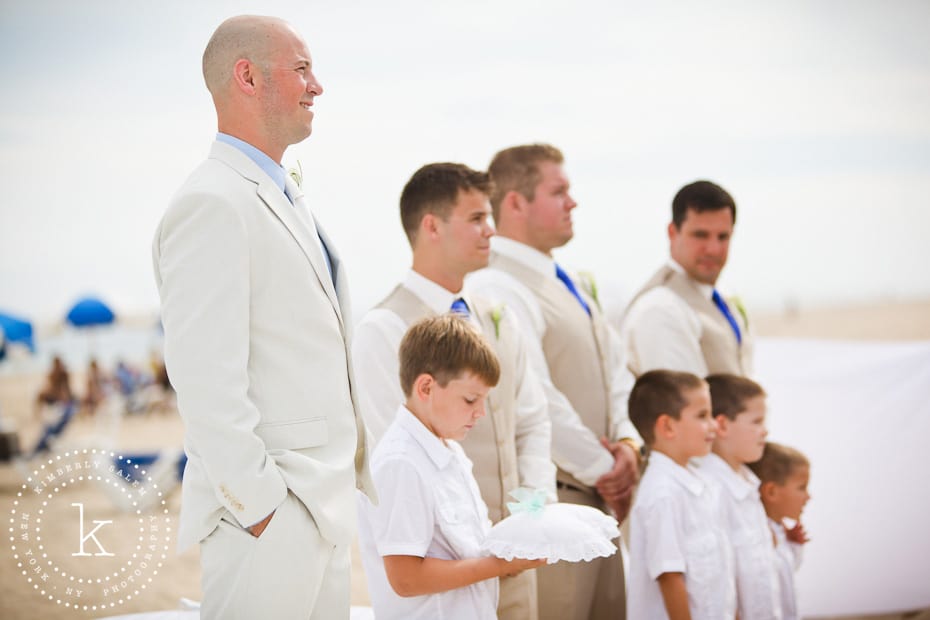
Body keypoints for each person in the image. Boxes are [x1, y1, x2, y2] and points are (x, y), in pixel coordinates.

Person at [152, 15, 374, 619]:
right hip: (272, 516)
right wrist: (261, 509)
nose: (317, 86)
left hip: (319, 512)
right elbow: (203, 379)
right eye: (302, 68)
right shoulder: (211, 202)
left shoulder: (277, 192)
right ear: (247, 77)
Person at [352, 162, 556, 619]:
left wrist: (535, 509)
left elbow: (531, 418)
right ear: (431, 226)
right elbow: (399, 455)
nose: (492, 230)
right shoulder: (382, 328)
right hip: (442, 581)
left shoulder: (498, 315)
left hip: (513, 555)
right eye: (477, 219)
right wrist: (485, 559)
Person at [469, 143, 639, 620]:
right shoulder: (497, 286)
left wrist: (629, 443)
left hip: (598, 510)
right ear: (516, 203)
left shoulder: (572, 283)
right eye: (558, 191)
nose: (573, 202)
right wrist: (609, 470)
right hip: (555, 508)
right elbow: (537, 398)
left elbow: (615, 369)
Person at [357, 315, 546, 619]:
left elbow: (466, 548)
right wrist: (500, 565)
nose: (480, 413)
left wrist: (515, 546)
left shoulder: (452, 453)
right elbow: (405, 578)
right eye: (471, 400)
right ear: (426, 388)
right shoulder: (400, 464)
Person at [627, 370, 735, 619]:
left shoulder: (698, 484)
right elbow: (670, 576)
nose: (714, 425)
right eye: (702, 416)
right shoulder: (663, 493)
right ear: (667, 426)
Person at [621, 180, 753, 377]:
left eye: (723, 237)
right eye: (700, 235)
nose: (713, 249)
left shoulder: (720, 298)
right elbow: (681, 405)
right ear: (672, 233)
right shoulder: (660, 307)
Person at [702, 374, 781, 618]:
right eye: (756, 422)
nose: (765, 431)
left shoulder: (747, 482)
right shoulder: (709, 490)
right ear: (722, 425)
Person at [748, 442, 812, 620]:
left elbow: (786, 572)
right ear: (771, 491)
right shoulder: (757, 533)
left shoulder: (779, 529)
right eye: (801, 487)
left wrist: (794, 546)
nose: (808, 496)